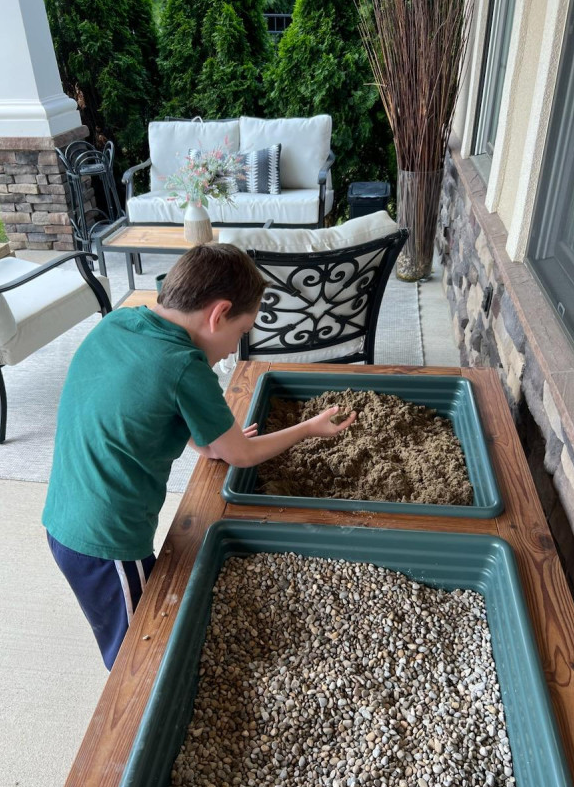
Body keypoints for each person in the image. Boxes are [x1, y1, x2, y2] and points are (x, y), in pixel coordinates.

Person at [42, 243, 356, 669]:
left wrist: (213, 441)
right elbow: (242, 455)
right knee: (139, 648)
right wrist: (308, 429)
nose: (232, 350)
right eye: (240, 334)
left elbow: (145, 406)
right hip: (107, 539)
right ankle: (135, 723)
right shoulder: (184, 365)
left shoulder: (120, 322)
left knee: (135, 623)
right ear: (217, 313)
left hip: (64, 515)